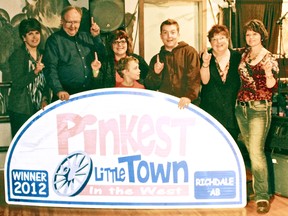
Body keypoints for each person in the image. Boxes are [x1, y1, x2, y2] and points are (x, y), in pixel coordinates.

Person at [235, 19, 279, 214]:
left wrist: (269, 73)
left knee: (256, 151)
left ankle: (262, 196)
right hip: (241, 108)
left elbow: (272, 86)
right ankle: (260, 188)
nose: (251, 37)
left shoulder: (269, 57)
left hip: (259, 108)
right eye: (248, 34)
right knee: (250, 149)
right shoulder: (244, 54)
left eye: (254, 33)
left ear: (262, 35)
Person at [43, 5, 106, 101]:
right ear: (62, 21)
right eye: (69, 22)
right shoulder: (54, 40)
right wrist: (59, 90)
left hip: (88, 95)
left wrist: (96, 37)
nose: (73, 26)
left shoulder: (87, 37)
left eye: (76, 22)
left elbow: (104, 56)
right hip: (66, 96)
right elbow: (50, 68)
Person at [144, 19, 201, 109]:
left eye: (172, 32)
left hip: (189, 105)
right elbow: (150, 86)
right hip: (166, 106)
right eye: (165, 33)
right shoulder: (156, 59)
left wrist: (188, 97)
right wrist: (156, 73)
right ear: (161, 36)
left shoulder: (190, 52)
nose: (169, 36)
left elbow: (194, 79)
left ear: (178, 35)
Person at [8, 18, 49, 137]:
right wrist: (35, 72)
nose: (35, 37)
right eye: (30, 34)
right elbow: (17, 83)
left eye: (37, 33)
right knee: (22, 147)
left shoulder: (43, 54)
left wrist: (45, 99)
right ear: (23, 37)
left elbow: (46, 81)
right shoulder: (18, 55)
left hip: (39, 108)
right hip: (21, 110)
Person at [200, 24, 241, 141]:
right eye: (214, 39)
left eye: (221, 38)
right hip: (210, 110)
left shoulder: (237, 57)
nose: (218, 42)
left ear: (227, 39)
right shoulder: (205, 56)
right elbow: (204, 81)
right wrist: (205, 63)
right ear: (210, 42)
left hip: (231, 112)